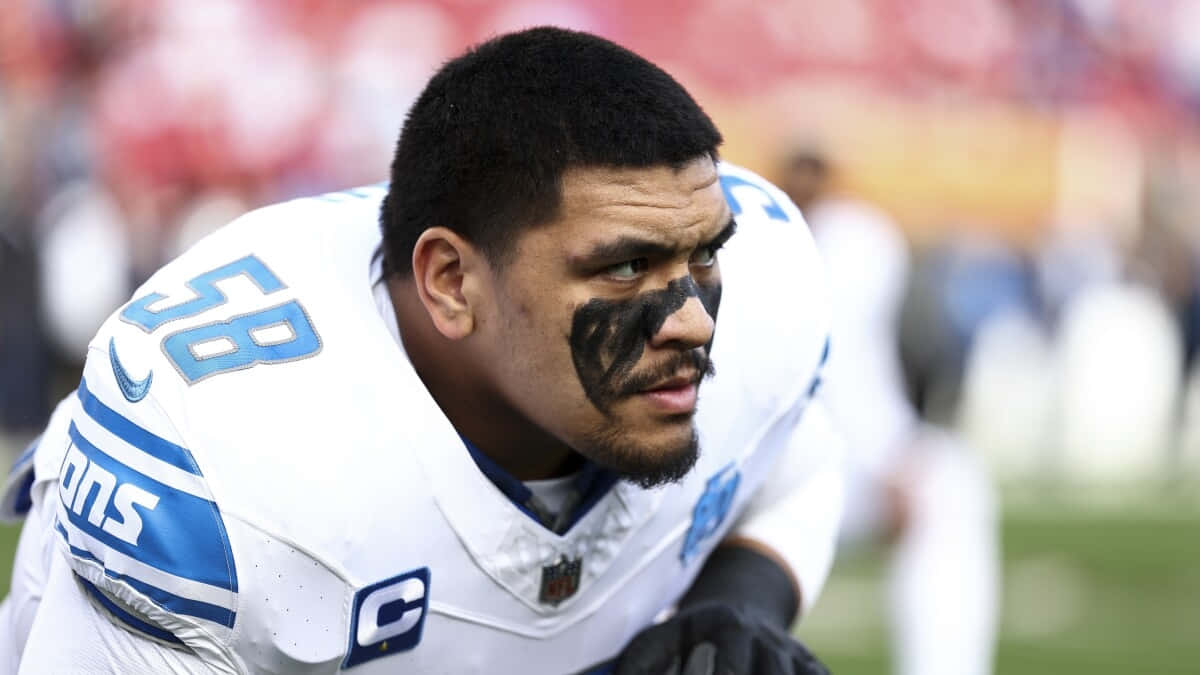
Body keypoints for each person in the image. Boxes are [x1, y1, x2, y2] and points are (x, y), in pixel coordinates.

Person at [0, 28, 844, 674]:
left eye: (703, 254)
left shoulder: (768, 284)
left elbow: (792, 456)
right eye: (624, 268)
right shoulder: (225, 452)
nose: (694, 320)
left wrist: (745, 601)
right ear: (450, 282)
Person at [779, 148, 999, 675]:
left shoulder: (842, 236)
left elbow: (855, 369)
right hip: (779, 471)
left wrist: (890, 459)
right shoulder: (828, 240)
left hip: (823, 463)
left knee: (950, 481)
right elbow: (839, 364)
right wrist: (886, 465)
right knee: (947, 489)